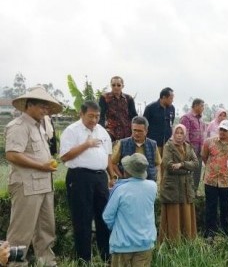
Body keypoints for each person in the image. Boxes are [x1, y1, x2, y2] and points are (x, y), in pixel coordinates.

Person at [5, 86, 62, 267]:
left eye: (47, 108)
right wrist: (41, 165)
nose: (45, 111)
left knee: (46, 230)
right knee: (21, 232)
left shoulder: (40, 127)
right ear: (29, 105)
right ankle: (15, 264)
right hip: (26, 186)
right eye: (42, 107)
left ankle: (46, 262)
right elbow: (12, 154)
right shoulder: (19, 126)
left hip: (44, 185)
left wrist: (47, 162)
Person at [60, 100, 112, 263]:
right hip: (80, 177)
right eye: (90, 116)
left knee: (103, 217)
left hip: (100, 177)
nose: (94, 120)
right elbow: (64, 156)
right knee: (82, 219)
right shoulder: (71, 131)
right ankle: (84, 259)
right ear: (81, 114)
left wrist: (111, 175)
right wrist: (86, 144)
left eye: (97, 116)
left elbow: (108, 155)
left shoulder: (102, 131)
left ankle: (106, 257)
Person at [102, 153, 157, 267]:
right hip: (145, 243)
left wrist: (117, 228)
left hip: (122, 244)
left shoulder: (120, 189)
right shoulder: (152, 186)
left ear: (127, 171)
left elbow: (107, 216)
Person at [158, 124, 199, 243]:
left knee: (186, 214)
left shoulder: (188, 146)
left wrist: (182, 165)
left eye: (181, 133)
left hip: (186, 188)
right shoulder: (168, 146)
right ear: (173, 133)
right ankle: (172, 243)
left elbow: (196, 164)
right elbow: (169, 166)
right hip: (172, 188)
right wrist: (187, 169)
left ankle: (187, 242)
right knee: (173, 216)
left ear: (185, 134)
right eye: (177, 133)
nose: (179, 136)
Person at [202, 120, 228, 239]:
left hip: (226, 181)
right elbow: (204, 156)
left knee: (225, 207)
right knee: (210, 207)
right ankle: (209, 232)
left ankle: (225, 232)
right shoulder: (209, 142)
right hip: (211, 180)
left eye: (225, 130)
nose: (222, 132)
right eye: (221, 129)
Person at [109, 116, 161, 183]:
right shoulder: (122, 143)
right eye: (135, 130)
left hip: (147, 182)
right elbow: (113, 163)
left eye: (140, 131)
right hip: (128, 183)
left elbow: (157, 164)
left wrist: (154, 177)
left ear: (146, 131)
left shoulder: (153, 144)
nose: (136, 133)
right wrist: (122, 177)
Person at [98, 76, 138, 142]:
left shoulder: (129, 98)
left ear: (123, 86)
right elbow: (101, 115)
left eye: (118, 85)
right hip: (111, 132)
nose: (116, 87)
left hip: (127, 132)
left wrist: (135, 130)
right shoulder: (104, 97)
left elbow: (134, 115)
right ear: (111, 85)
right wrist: (102, 130)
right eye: (113, 85)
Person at [180, 98, 206, 192]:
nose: (203, 108)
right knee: (188, 170)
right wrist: (188, 149)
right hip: (190, 150)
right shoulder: (186, 118)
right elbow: (184, 134)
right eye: (202, 106)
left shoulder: (201, 119)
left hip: (199, 150)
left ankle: (194, 191)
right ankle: (186, 192)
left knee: (197, 171)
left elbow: (203, 135)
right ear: (195, 106)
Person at [143, 87, 175, 156]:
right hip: (153, 144)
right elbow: (144, 126)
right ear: (163, 97)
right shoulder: (150, 108)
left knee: (165, 164)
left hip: (167, 144)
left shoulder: (172, 108)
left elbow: (171, 123)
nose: (172, 101)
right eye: (171, 98)